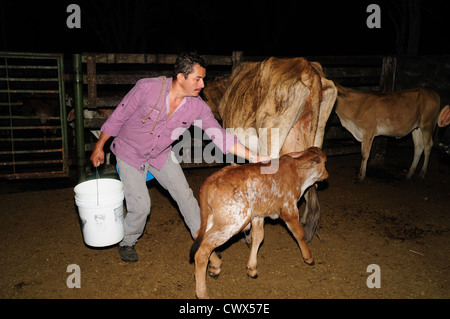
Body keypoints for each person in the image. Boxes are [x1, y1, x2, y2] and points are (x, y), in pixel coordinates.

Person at [90, 52, 270, 262]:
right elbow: (118, 117)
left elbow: (220, 136)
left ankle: (203, 241)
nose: (203, 84)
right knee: (141, 206)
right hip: (130, 152)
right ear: (181, 77)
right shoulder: (147, 88)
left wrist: (254, 157)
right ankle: (127, 241)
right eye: (198, 79)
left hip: (161, 154)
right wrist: (99, 147)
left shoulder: (197, 107)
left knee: (185, 196)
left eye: (203, 79)